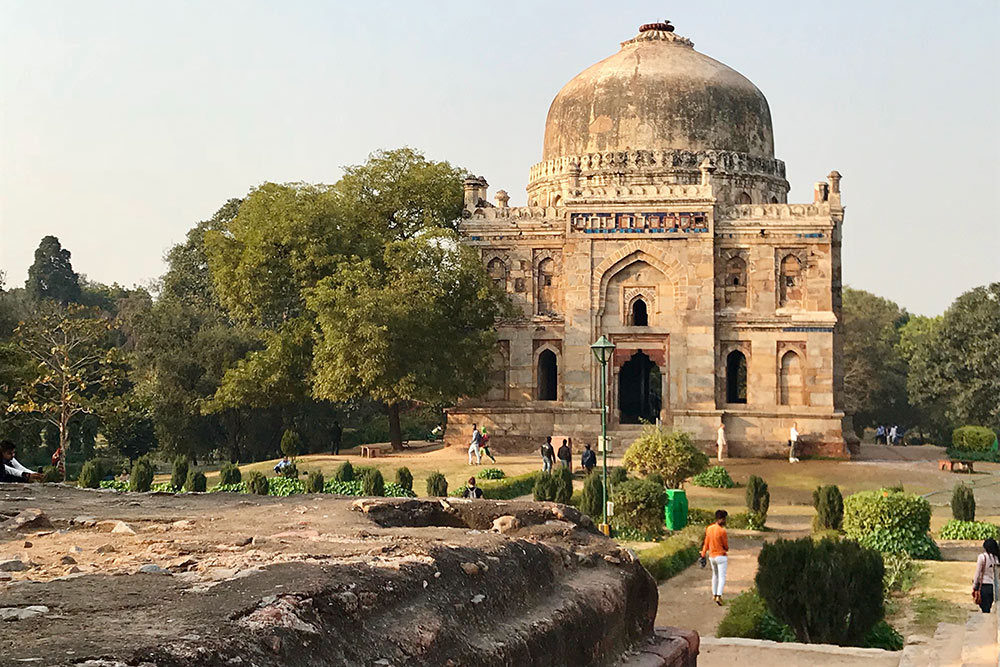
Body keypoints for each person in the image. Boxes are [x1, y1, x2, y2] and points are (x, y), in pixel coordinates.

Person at [700, 509, 729, 605]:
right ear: (721, 519)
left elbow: (706, 543)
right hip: (721, 556)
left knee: (715, 575)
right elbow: (726, 546)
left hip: (712, 556)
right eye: (724, 519)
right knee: (722, 577)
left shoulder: (709, 528)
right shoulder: (722, 531)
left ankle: (714, 593)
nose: (725, 521)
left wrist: (703, 554)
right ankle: (719, 596)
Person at [972, 538, 1000, 613]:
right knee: (988, 607)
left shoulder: (982, 557)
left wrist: (974, 585)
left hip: (983, 585)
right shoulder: (996, 558)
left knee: (984, 608)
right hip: (992, 586)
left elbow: (977, 573)